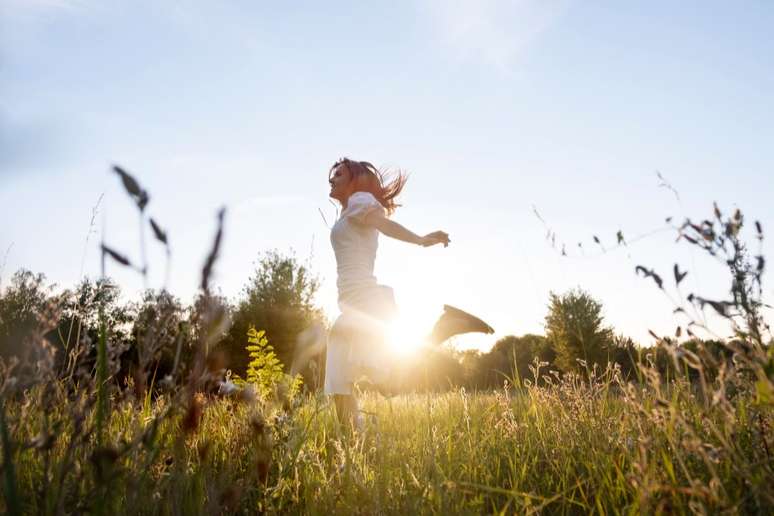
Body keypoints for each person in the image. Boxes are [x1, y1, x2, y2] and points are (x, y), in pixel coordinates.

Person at [324, 157, 450, 429]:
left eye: (339, 175)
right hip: (350, 306)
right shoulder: (348, 212)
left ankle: (444, 329)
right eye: (331, 176)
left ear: (355, 181)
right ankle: (354, 442)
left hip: (366, 304)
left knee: (388, 385)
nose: (332, 179)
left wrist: (420, 240)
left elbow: (385, 224)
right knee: (338, 381)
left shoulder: (360, 202)